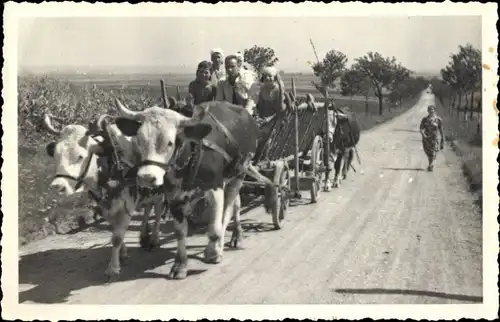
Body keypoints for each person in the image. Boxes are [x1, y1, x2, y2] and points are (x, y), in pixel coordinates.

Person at [419, 105, 445, 171]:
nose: (431, 111)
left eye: (432, 109)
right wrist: (423, 135)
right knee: (428, 152)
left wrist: (442, 138)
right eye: (430, 110)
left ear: (434, 110)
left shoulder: (438, 119)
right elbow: (421, 128)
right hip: (426, 139)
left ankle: (430, 165)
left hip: (435, 138)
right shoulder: (424, 119)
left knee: (433, 152)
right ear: (428, 111)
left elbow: (441, 129)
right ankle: (430, 163)